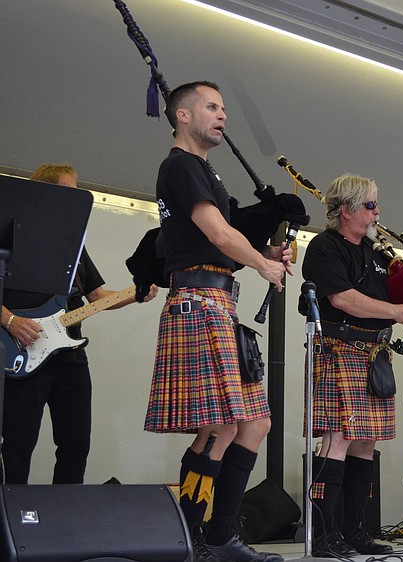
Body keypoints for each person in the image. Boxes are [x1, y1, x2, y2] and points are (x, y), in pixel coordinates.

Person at [144, 81, 291, 562]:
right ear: (182, 116)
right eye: (212, 107)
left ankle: (215, 536)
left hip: (217, 302)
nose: (222, 115)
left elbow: (217, 241)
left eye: (225, 108)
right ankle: (197, 538)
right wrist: (263, 264)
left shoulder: (203, 169)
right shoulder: (182, 166)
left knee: (251, 424)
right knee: (221, 426)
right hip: (199, 303)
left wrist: (266, 251)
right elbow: (218, 232)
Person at [301, 173, 403, 557]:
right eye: (370, 205)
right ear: (345, 210)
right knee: (338, 438)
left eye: (376, 204)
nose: (377, 211)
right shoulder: (324, 247)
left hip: (375, 354)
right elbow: (343, 299)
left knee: (365, 441)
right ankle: (322, 533)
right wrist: (397, 311)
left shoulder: (378, 253)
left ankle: (355, 531)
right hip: (339, 348)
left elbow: (401, 292)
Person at [1, 163, 158, 485]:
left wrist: (138, 292)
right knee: (18, 444)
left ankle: (65, 516)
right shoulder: (12, 236)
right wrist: (12, 320)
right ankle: (11, 522)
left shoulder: (74, 247)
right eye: (67, 193)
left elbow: (98, 296)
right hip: (21, 353)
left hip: (70, 359)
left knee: (75, 444)